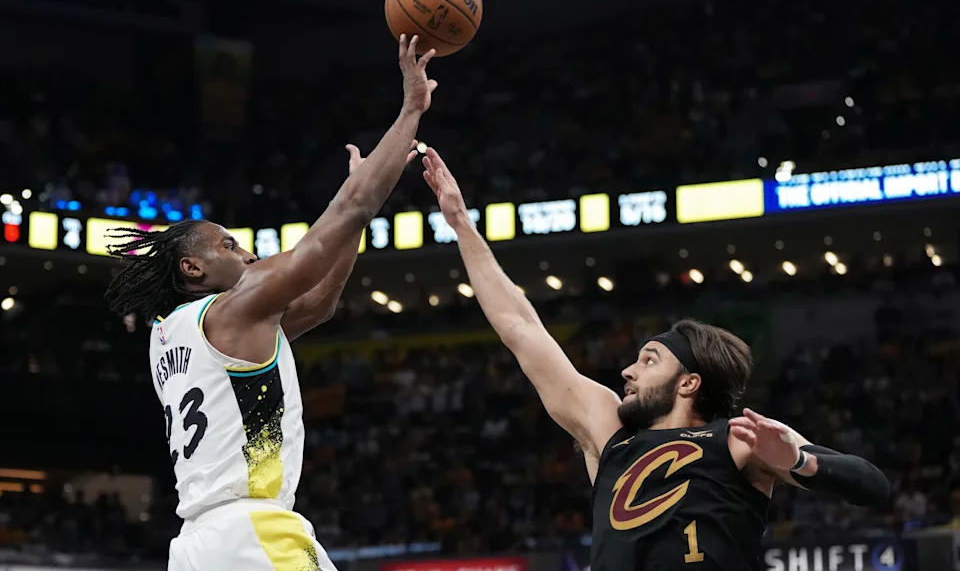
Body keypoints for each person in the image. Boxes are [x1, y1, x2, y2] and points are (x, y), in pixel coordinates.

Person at [420, 148, 890, 571]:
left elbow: (872, 485)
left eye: (649, 360)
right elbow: (521, 327)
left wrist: (799, 461)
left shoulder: (738, 439)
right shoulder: (609, 430)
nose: (627, 370)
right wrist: (461, 223)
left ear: (688, 382)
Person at [103, 36, 437, 571]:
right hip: (251, 532)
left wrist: (357, 219)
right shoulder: (235, 308)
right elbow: (348, 210)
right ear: (192, 268)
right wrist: (411, 110)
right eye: (228, 246)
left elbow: (320, 304)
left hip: (195, 545)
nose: (249, 254)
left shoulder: (170, 335)